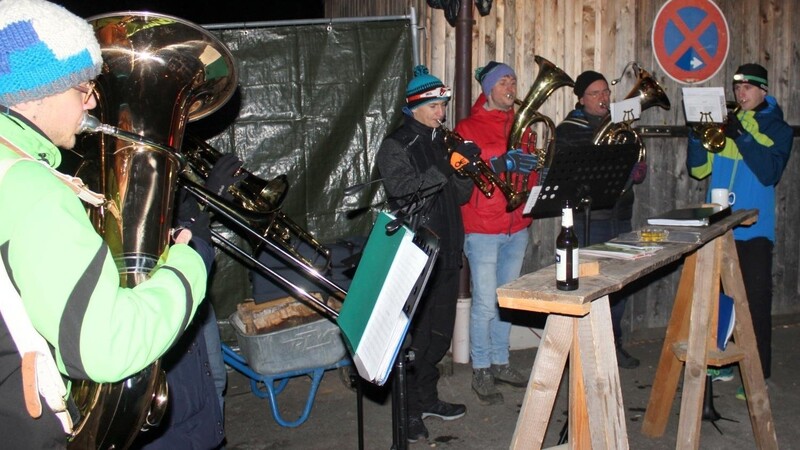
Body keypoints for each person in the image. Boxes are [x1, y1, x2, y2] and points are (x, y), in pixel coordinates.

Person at [0, 0, 208, 448]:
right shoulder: (28, 188)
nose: (94, 100)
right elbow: (106, 347)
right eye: (83, 87)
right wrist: (186, 271)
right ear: (36, 92)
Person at [375, 65, 476, 442]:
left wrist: (464, 171)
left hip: (449, 248)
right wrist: (444, 167)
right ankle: (409, 412)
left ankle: (428, 398)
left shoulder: (442, 140)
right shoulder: (396, 145)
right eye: (434, 105)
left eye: (443, 104)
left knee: (438, 337)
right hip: (417, 253)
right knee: (414, 340)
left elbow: (461, 196)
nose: (441, 111)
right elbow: (404, 192)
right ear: (414, 107)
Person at [687, 63, 792, 397]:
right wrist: (695, 136)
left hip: (754, 228)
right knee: (720, 298)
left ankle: (757, 374)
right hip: (719, 224)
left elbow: (769, 172)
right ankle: (723, 364)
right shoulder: (725, 122)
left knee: (755, 301)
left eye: (747, 88)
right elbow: (698, 169)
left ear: (763, 90)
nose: (740, 93)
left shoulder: (778, 128)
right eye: (736, 88)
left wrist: (742, 136)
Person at [136, 154, 245, 449]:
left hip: (190, 288)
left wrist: (205, 203)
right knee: (180, 403)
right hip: (160, 291)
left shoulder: (166, 153)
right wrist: (210, 201)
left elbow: (184, 215)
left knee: (215, 381)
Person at [454, 61, 537, 405]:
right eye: (504, 81)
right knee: (486, 303)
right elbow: (460, 171)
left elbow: (529, 175)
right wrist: (500, 163)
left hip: (516, 225)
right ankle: (482, 367)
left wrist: (534, 172)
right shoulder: (467, 126)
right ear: (489, 88)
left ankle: (501, 360)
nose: (511, 87)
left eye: (514, 81)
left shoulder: (524, 126)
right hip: (483, 227)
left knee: (506, 302)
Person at [554, 70, 647, 369]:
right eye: (595, 93)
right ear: (581, 99)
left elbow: (638, 159)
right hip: (590, 217)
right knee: (592, 285)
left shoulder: (621, 124)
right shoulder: (570, 129)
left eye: (606, 91)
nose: (603, 98)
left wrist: (637, 164)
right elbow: (575, 169)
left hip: (621, 214)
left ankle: (613, 344)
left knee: (620, 285)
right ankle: (588, 349)